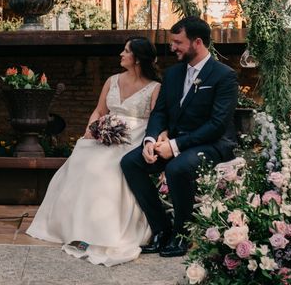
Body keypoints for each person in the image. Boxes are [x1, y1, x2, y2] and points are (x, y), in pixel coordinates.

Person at [27, 37, 161, 266]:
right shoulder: (112, 80)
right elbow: (99, 111)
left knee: (106, 170)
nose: (121, 54)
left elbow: (156, 122)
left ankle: (105, 232)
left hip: (134, 138)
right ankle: (74, 229)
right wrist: (92, 129)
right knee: (82, 161)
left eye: (126, 51)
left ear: (137, 59)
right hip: (104, 135)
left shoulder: (155, 87)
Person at [121, 16, 238, 258]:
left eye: (178, 42)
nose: (172, 47)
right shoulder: (173, 74)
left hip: (212, 144)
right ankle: (161, 229)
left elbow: (217, 125)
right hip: (172, 142)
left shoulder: (224, 75)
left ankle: (182, 234)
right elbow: (160, 111)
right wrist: (151, 140)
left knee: (177, 168)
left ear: (197, 42)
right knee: (130, 162)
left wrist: (174, 146)